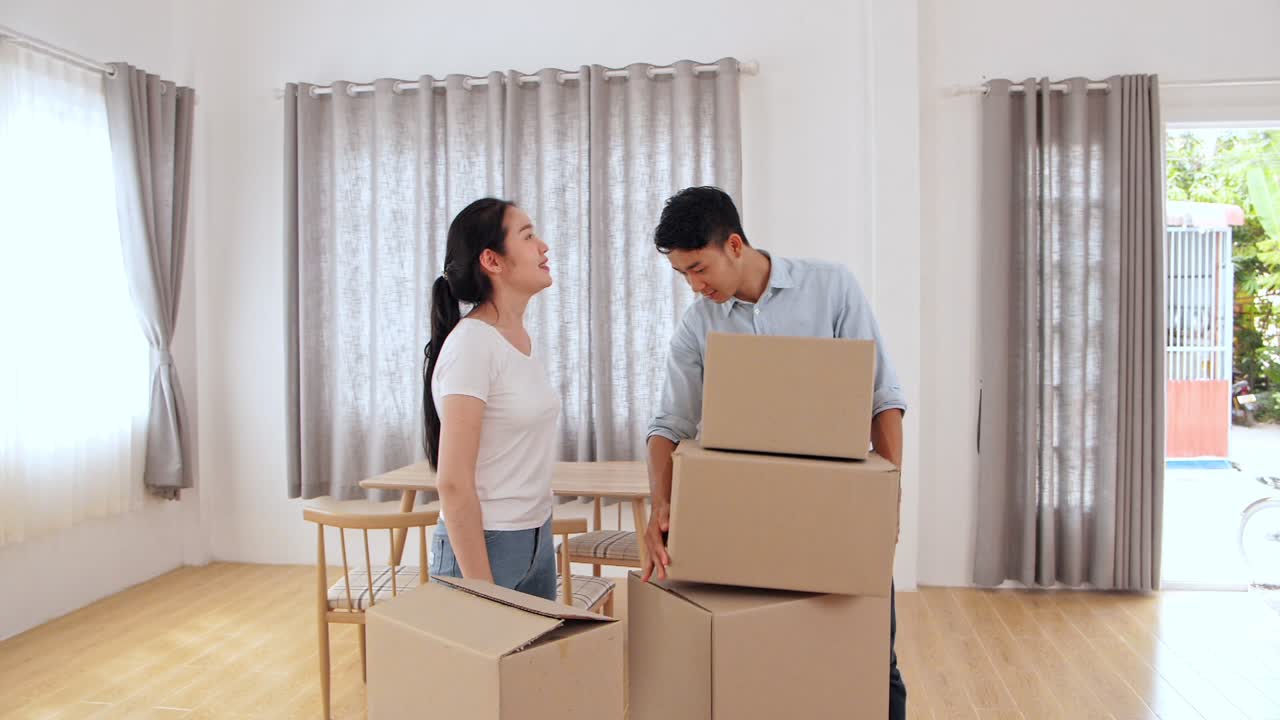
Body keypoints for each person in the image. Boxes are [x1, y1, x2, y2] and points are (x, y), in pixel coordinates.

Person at [640, 186, 908, 719]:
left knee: (873, 658)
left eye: (698, 269)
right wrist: (660, 505)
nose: (695, 287)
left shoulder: (831, 287)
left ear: (734, 245)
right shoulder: (699, 326)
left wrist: (888, 497)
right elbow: (669, 425)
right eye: (683, 276)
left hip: (836, 507)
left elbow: (883, 398)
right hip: (751, 517)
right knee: (771, 653)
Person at [422, 197, 560, 600]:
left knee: (533, 663)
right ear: (492, 260)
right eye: (528, 236)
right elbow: (452, 482)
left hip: (535, 536)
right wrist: (483, 592)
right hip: (485, 547)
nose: (543, 246)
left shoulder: (519, 340)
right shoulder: (472, 345)